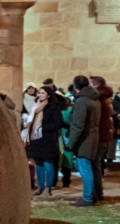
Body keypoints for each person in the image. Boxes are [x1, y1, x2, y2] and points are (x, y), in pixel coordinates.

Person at [24, 86, 64, 198]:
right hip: (36, 139)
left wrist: (43, 128)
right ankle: (40, 186)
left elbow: (58, 123)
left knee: (48, 163)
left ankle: (48, 188)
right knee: (39, 164)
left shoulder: (53, 108)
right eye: (39, 93)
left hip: (48, 138)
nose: (40, 95)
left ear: (49, 95)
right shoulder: (35, 107)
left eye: (42, 93)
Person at [67, 75, 100, 207]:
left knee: (85, 169)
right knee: (89, 168)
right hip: (92, 137)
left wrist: (71, 143)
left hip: (85, 140)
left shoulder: (82, 101)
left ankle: (87, 198)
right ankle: (92, 195)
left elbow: (78, 125)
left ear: (75, 86)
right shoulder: (94, 99)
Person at [89, 76, 114, 188]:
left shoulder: (99, 98)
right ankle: (97, 192)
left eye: (89, 84)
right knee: (96, 164)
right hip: (103, 134)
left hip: (99, 135)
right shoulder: (103, 96)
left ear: (95, 85)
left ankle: (96, 193)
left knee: (95, 164)